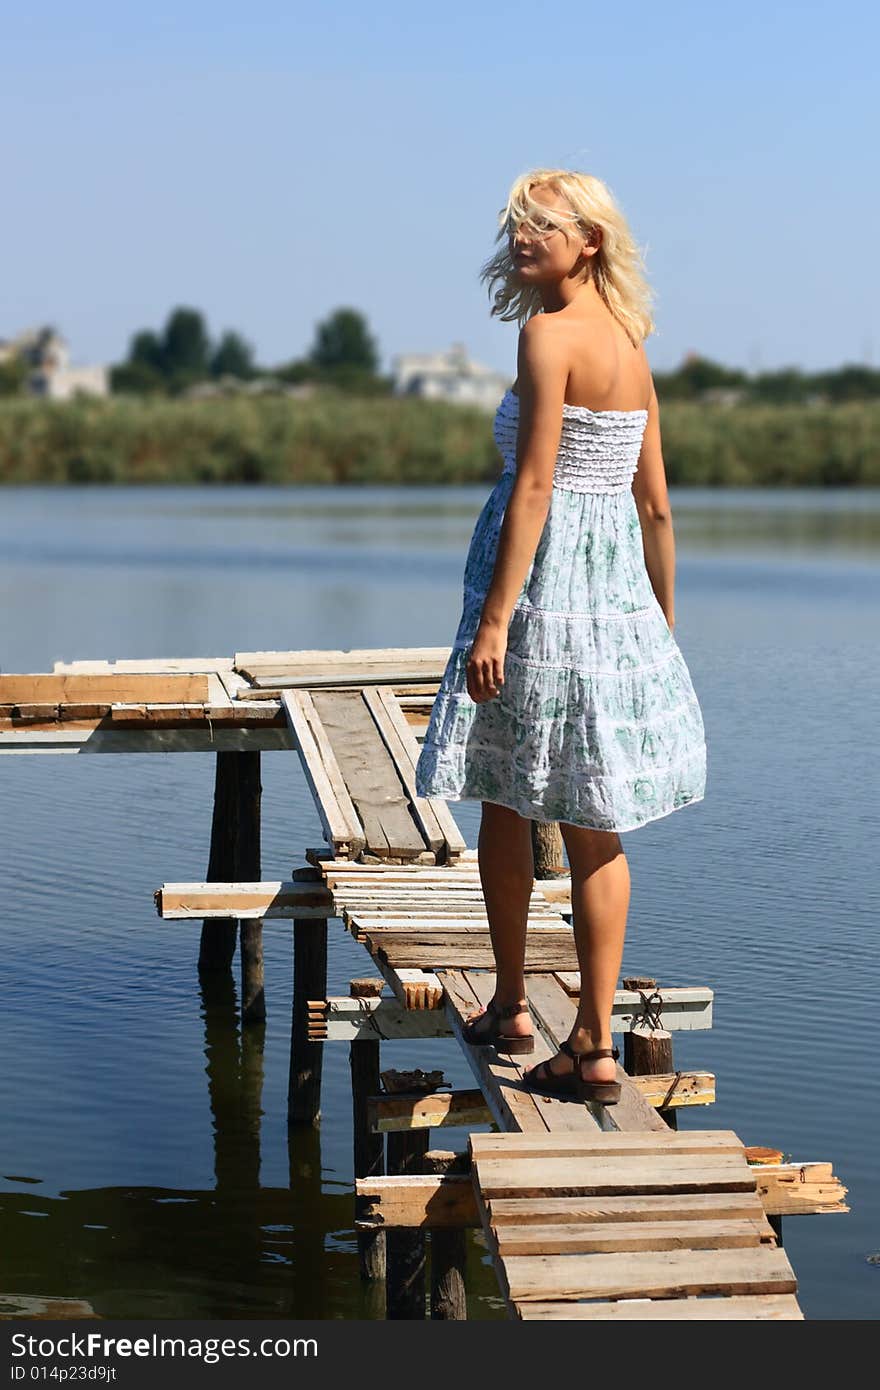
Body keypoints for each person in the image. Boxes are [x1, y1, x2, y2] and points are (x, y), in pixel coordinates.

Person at [414, 168, 707, 1106]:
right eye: (517, 225)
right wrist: (660, 622)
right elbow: (655, 506)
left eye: (544, 224)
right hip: (613, 598)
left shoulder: (546, 336)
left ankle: (512, 1006)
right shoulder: (629, 341)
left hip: (543, 594)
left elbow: (535, 489)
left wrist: (495, 619)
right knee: (594, 819)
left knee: (506, 795)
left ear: (591, 241)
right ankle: (597, 1040)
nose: (524, 237)